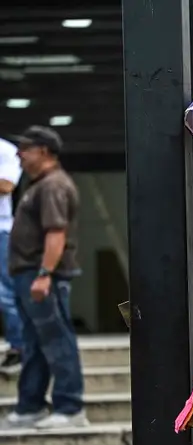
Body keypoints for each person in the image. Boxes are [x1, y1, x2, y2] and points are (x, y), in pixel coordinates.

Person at [1, 126, 86, 429]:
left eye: (26, 149)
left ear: (44, 151)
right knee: (34, 341)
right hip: (29, 275)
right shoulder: (39, 185)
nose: (19, 155)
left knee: (56, 339)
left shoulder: (53, 186)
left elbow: (56, 233)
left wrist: (44, 274)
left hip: (42, 276)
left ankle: (70, 406)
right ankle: (30, 405)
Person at [0, 138, 24, 368]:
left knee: (5, 292)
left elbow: (7, 185)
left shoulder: (6, 150)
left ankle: (19, 346)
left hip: (1, 230)